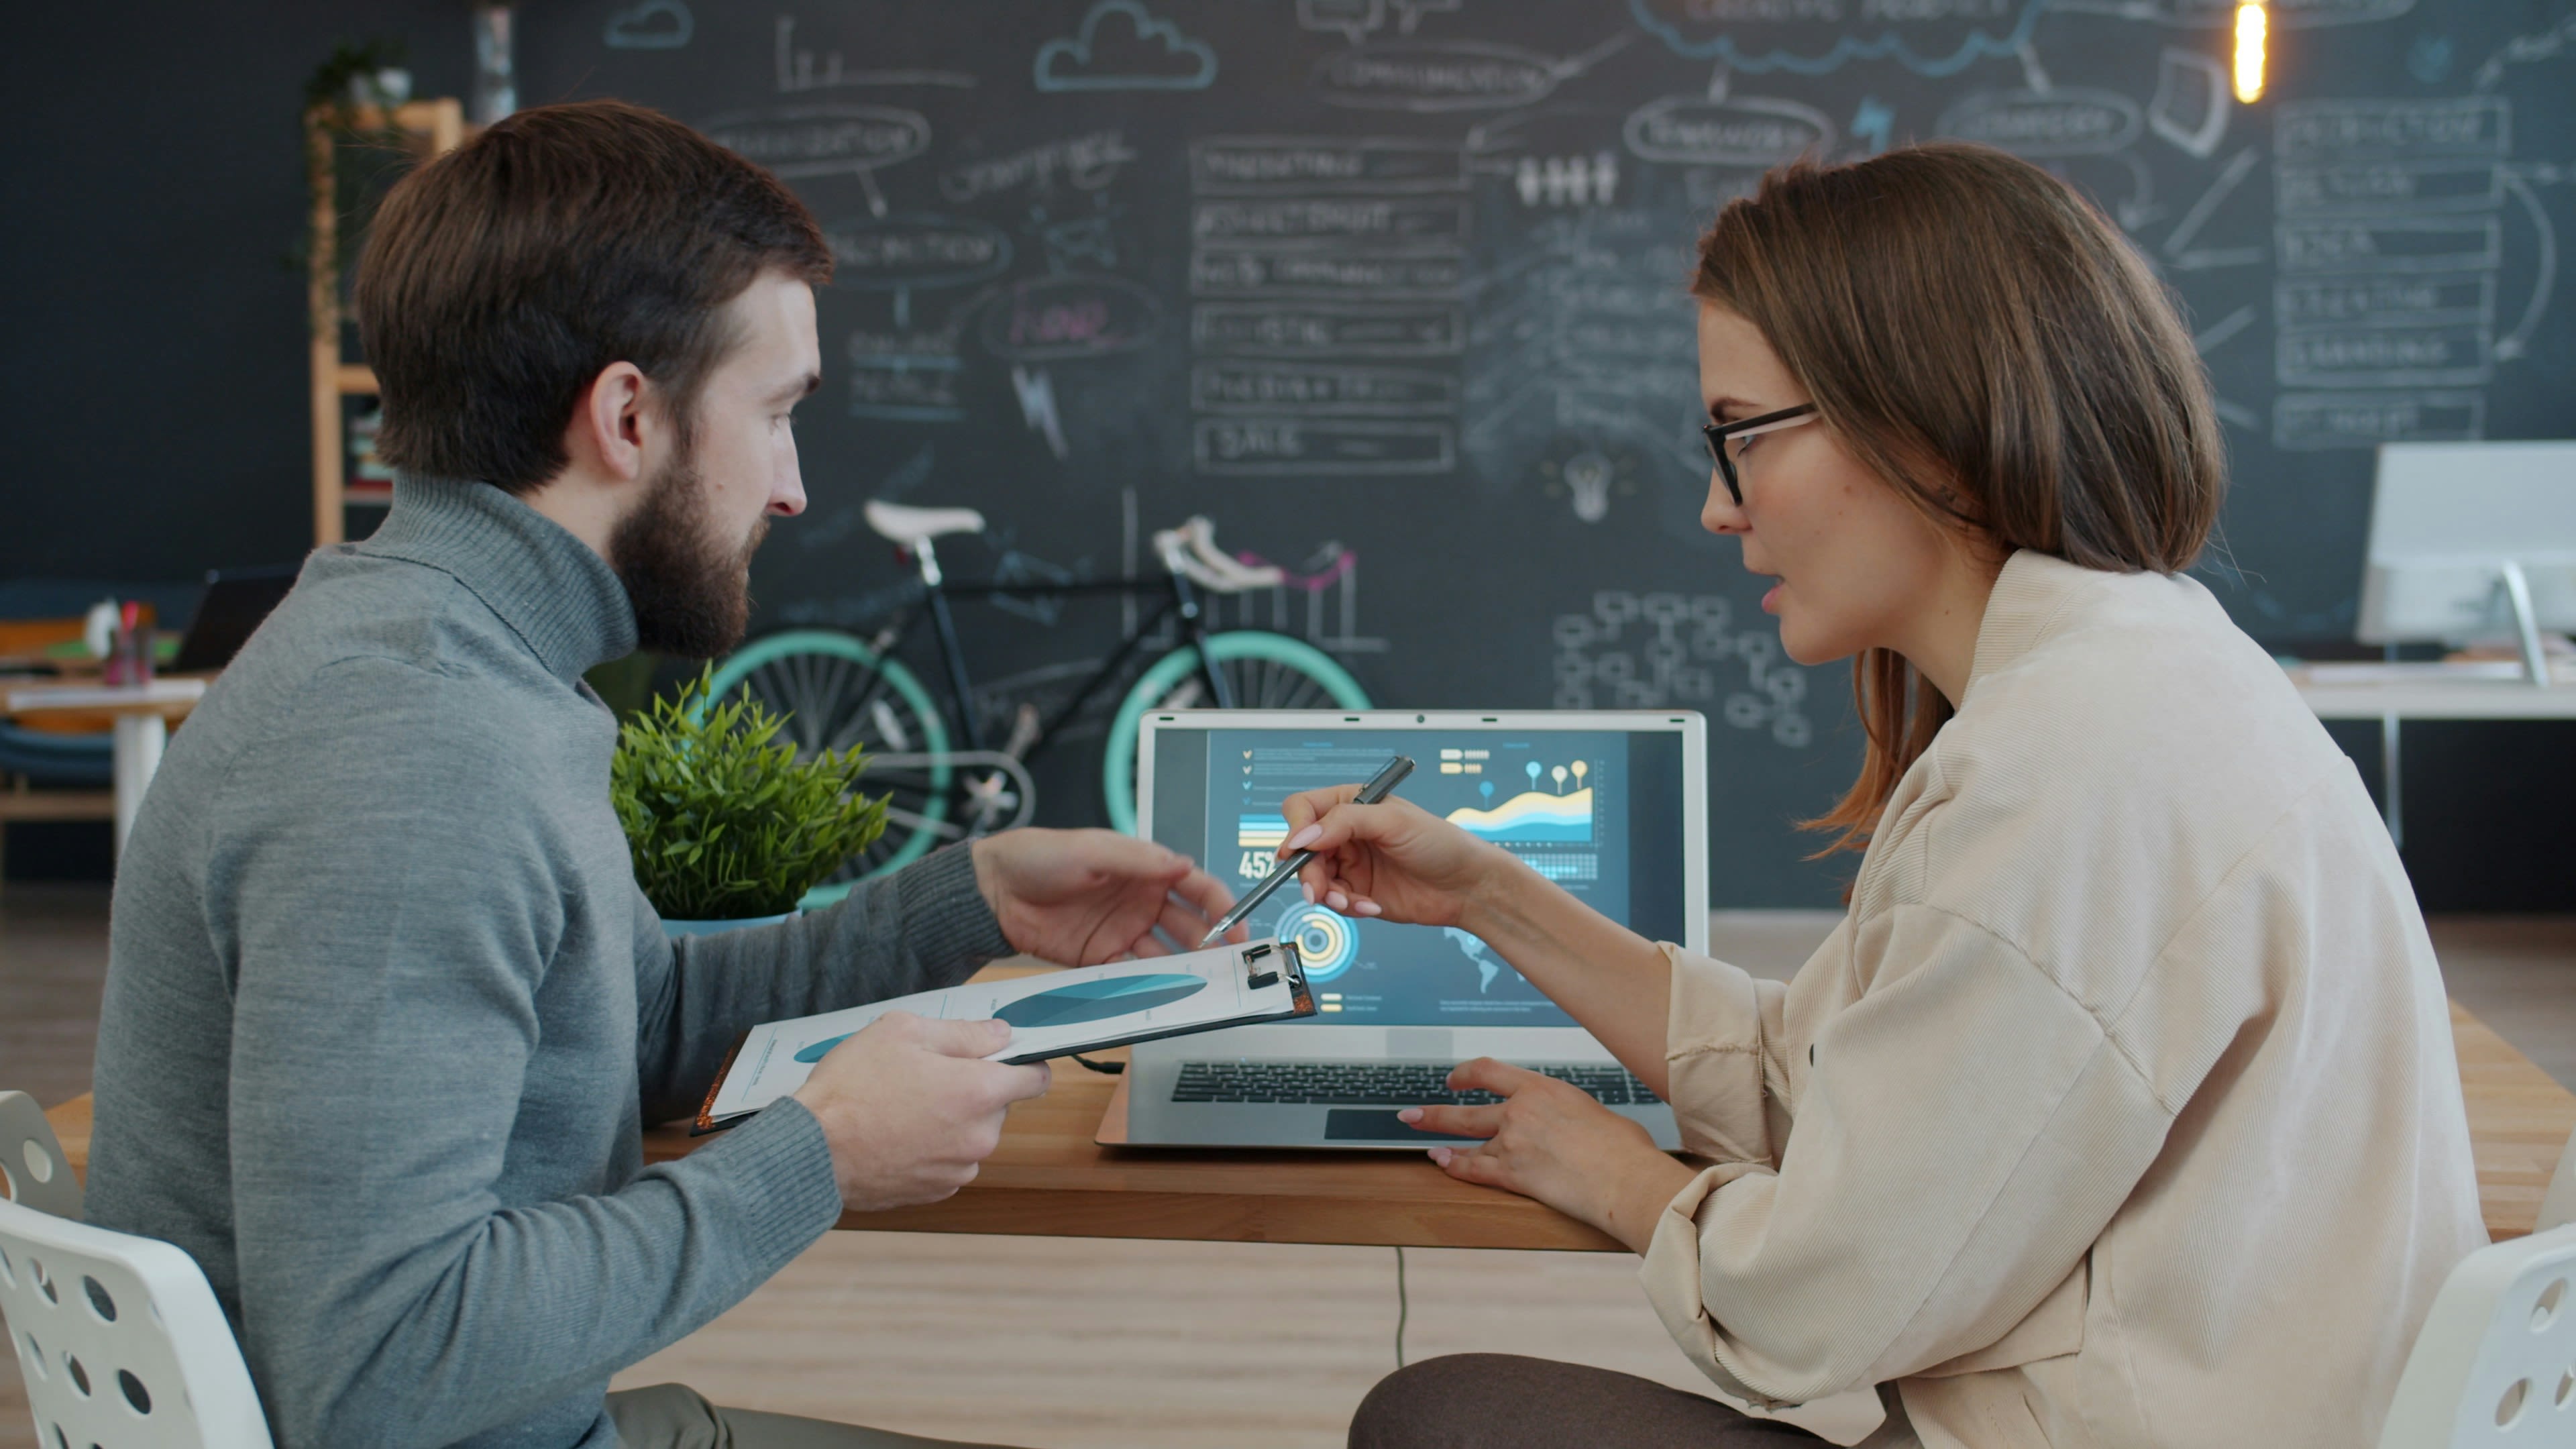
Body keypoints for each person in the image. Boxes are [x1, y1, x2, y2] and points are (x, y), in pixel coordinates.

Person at [83, 99, 1240, 1449]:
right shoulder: (414, 752)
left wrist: (963, 904)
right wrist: (817, 1161)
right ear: (629, 416)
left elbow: (619, 1028)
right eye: (776, 413)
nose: (793, 487)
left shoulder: (452, 656)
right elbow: (380, 1366)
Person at [1291, 143, 2484, 1449]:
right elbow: (1827, 1090)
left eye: (1739, 437)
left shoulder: (2062, 783)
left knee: (1437, 1420)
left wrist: (1623, 1180)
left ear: (1929, 429)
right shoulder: (2140, 670)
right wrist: (1487, 897)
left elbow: (1820, 1300)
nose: (1715, 508)